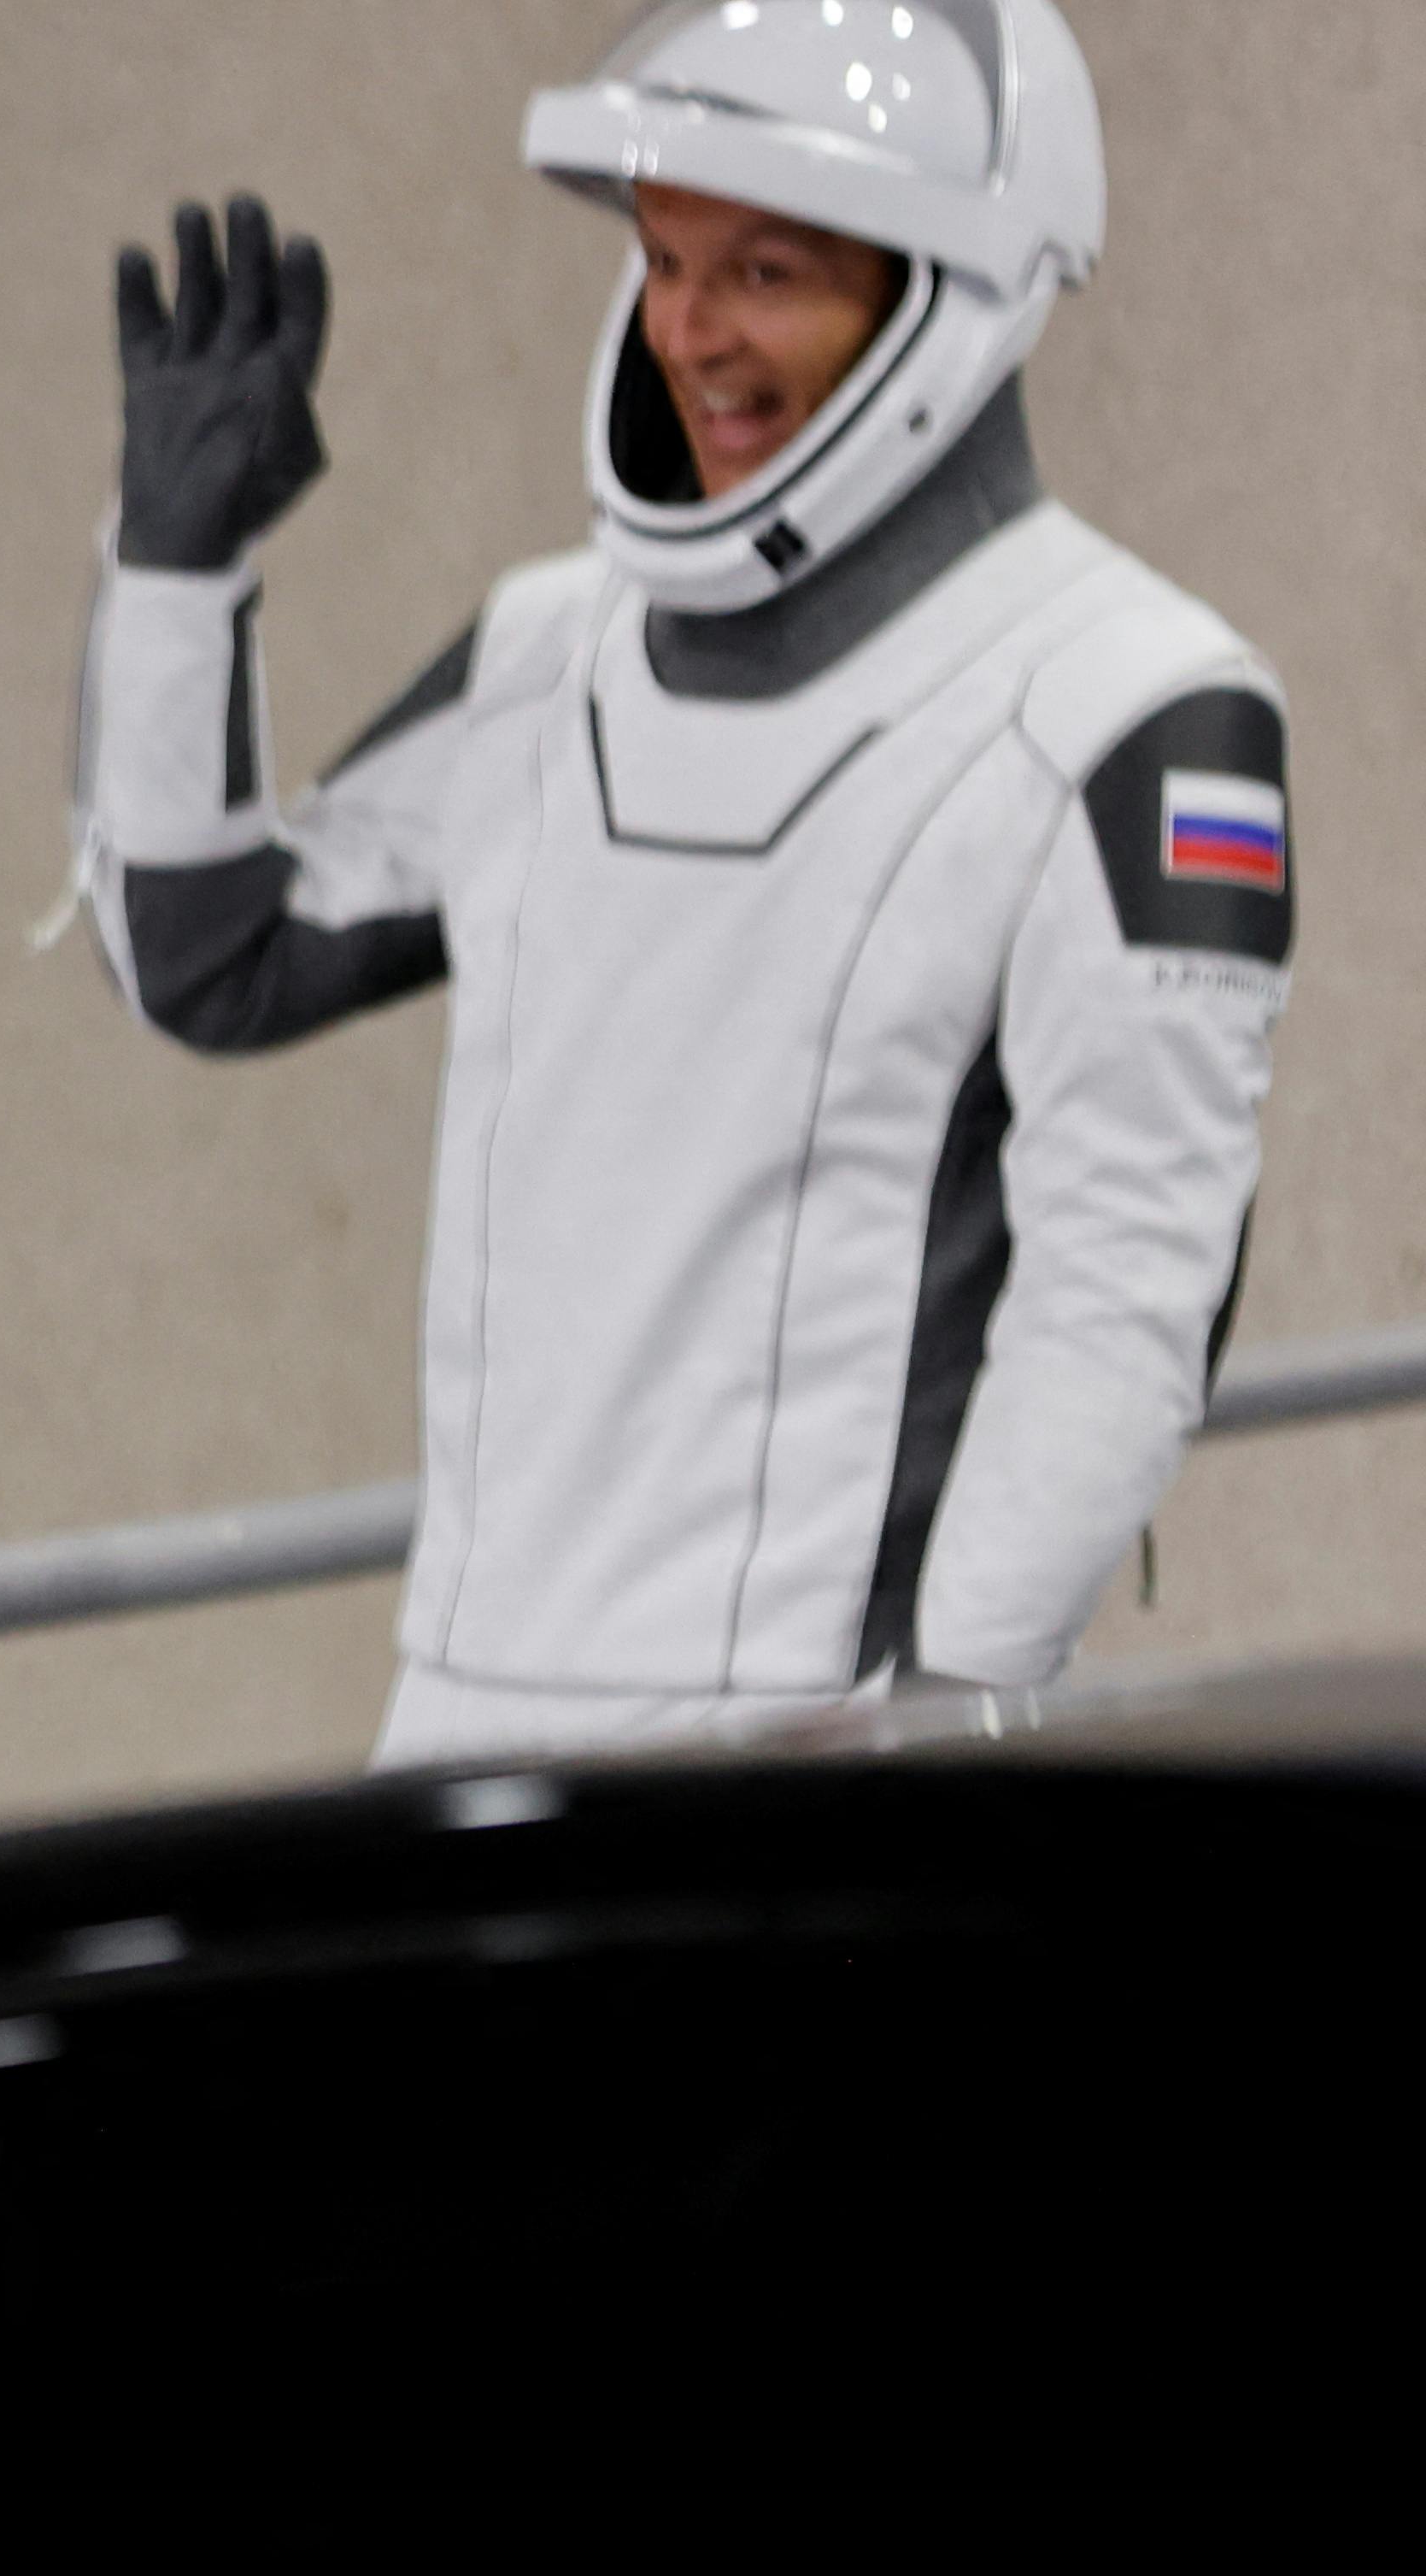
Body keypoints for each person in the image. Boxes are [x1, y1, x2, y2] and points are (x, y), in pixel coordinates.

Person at [74, 0, 1282, 1767]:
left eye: (766, 271)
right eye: (662, 261)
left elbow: (1124, 1299)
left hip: (828, 1747)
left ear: (944, 300)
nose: (690, 333)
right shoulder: (550, 653)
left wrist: (949, 1718)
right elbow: (207, 956)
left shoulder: (1131, 702)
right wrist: (180, 573)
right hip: (464, 1711)